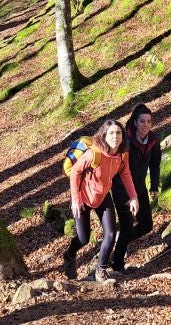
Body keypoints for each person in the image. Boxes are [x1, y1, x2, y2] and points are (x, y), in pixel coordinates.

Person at [64, 120, 139, 282]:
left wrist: (133, 197)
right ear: (104, 135)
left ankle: (101, 269)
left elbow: (125, 174)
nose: (115, 137)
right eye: (111, 133)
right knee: (83, 238)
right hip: (83, 197)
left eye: (118, 133)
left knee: (111, 234)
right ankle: (69, 256)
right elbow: (75, 173)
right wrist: (76, 200)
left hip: (103, 196)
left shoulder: (122, 153)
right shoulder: (94, 153)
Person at [110, 103, 161, 273]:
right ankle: (117, 266)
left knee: (146, 225)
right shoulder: (125, 142)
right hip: (121, 190)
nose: (146, 125)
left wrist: (154, 186)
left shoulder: (153, 141)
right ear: (135, 123)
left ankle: (120, 243)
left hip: (139, 189)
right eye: (142, 121)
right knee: (126, 226)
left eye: (149, 121)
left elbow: (155, 165)